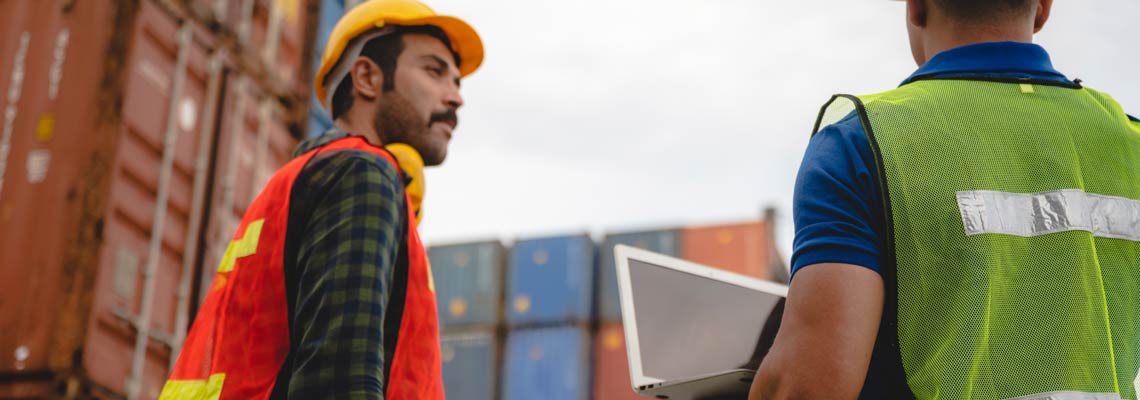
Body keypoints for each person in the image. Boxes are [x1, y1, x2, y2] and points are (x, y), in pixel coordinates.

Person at [749, 0, 1140, 398]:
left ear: (916, 8)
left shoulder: (862, 144)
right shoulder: (1131, 144)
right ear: (1042, 9)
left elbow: (809, 388)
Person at [159, 0, 483, 398]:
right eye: (435, 71)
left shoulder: (302, 179)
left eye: (457, 82)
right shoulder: (362, 174)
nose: (455, 98)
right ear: (367, 77)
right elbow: (336, 385)